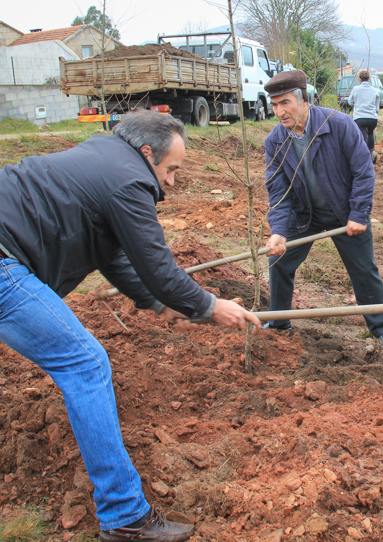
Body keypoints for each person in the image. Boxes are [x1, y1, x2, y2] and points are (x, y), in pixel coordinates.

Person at [0, 111, 261, 542]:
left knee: (83, 363)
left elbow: (112, 254)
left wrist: (158, 304)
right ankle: (125, 517)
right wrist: (211, 306)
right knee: (85, 364)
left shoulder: (103, 158)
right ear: (147, 153)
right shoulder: (128, 180)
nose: (173, 182)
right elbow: (159, 267)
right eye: (171, 170)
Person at [262, 70, 383, 349]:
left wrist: (358, 214)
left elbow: (363, 172)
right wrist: (278, 231)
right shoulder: (275, 141)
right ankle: (278, 320)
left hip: (344, 212)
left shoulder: (340, 125)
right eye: (274, 105)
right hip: (304, 215)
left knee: (363, 269)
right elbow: (278, 192)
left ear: (304, 100)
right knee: (279, 261)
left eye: (285, 103)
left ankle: (381, 327)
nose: (279, 112)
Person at [348, 69, 381, 164]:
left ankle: (363, 156)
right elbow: (377, 108)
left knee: (362, 136)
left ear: (359, 79)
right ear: (369, 78)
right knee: (370, 133)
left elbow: (350, 102)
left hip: (360, 117)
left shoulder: (355, 89)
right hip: (372, 118)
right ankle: (371, 153)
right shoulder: (375, 91)